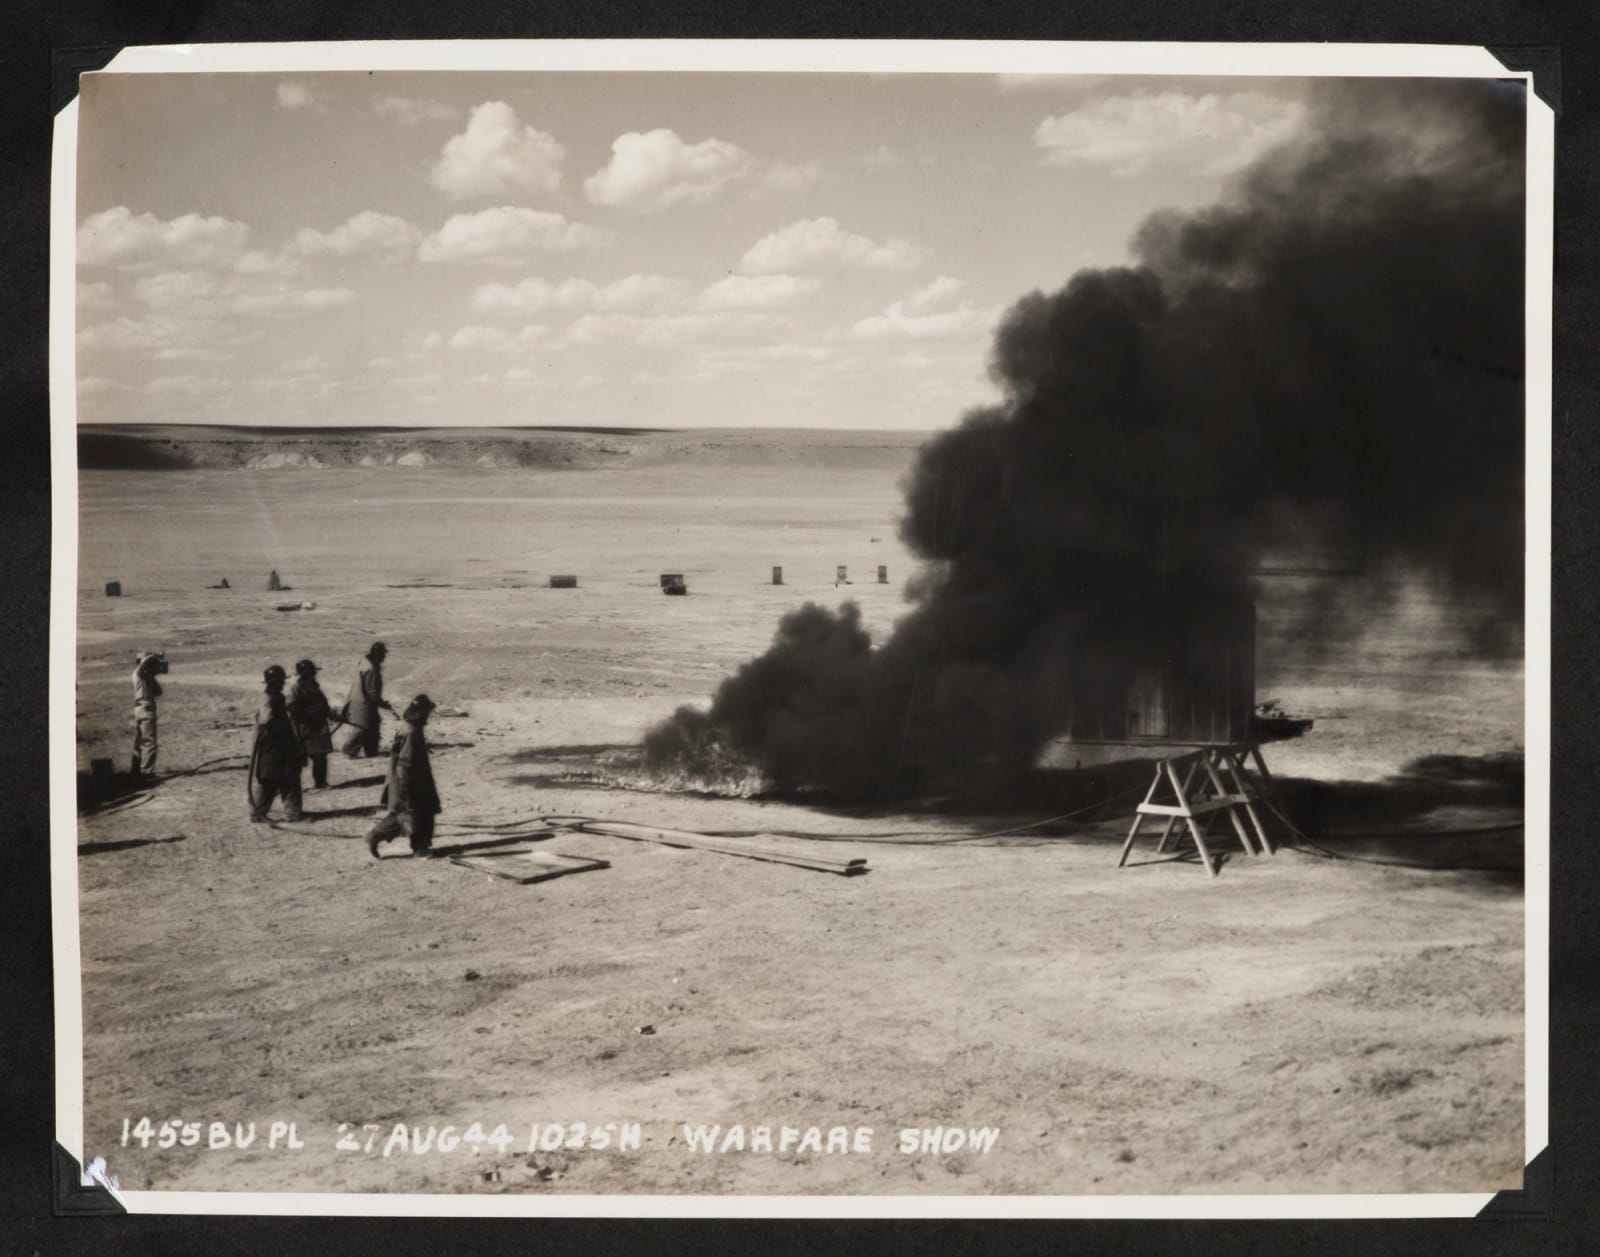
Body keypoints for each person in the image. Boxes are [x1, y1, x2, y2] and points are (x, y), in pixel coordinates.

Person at [366, 694, 442, 859]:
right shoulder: (411, 731)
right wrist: (407, 787)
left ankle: (417, 845)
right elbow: (405, 763)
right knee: (412, 814)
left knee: (416, 812)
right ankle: (418, 848)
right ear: (421, 713)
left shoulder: (410, 727)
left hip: (415, 780)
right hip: (409, 781)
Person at [250, 665, 305, 823]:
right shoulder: (269, 699)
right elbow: (266, 720)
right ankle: (259, 813)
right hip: (272, 747)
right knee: (273, 780)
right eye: (280, 681)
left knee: (284, 778)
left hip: (279, 746)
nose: (282, 683)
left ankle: (291, 813)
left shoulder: (275, 697)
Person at [339, 641, 393, 758]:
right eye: (383, 654)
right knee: (362, 726)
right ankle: (349, 750)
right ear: (378, 654)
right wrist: (382, 703)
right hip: (364, 702)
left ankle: (371, 751)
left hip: (359, 699)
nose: (384, 657)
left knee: (373, 723)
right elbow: (372, 691)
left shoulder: (365, 663)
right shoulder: (371, 668)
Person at [287, 658, 334, 789]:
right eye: (310, 672)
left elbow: (322, 704)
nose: (313, 674)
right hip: (304, 728)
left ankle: (320, 782)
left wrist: (330, 714)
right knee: (299, 759)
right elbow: (291, 706)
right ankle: (291, 787)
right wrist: (309, 715)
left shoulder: (314, 686)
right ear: (304, 673)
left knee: (320, 756)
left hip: (317, 727)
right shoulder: (296, 689)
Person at [130, 651, 163, 779]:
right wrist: (156, 655)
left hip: (142, 708)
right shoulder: (138, 673)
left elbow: (159, 692)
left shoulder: (145, 677)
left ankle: (136, 772)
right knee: (149, 741)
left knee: (140, 741)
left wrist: (152, 677)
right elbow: (144, 664)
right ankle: (146, 773)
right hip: (145, 707)